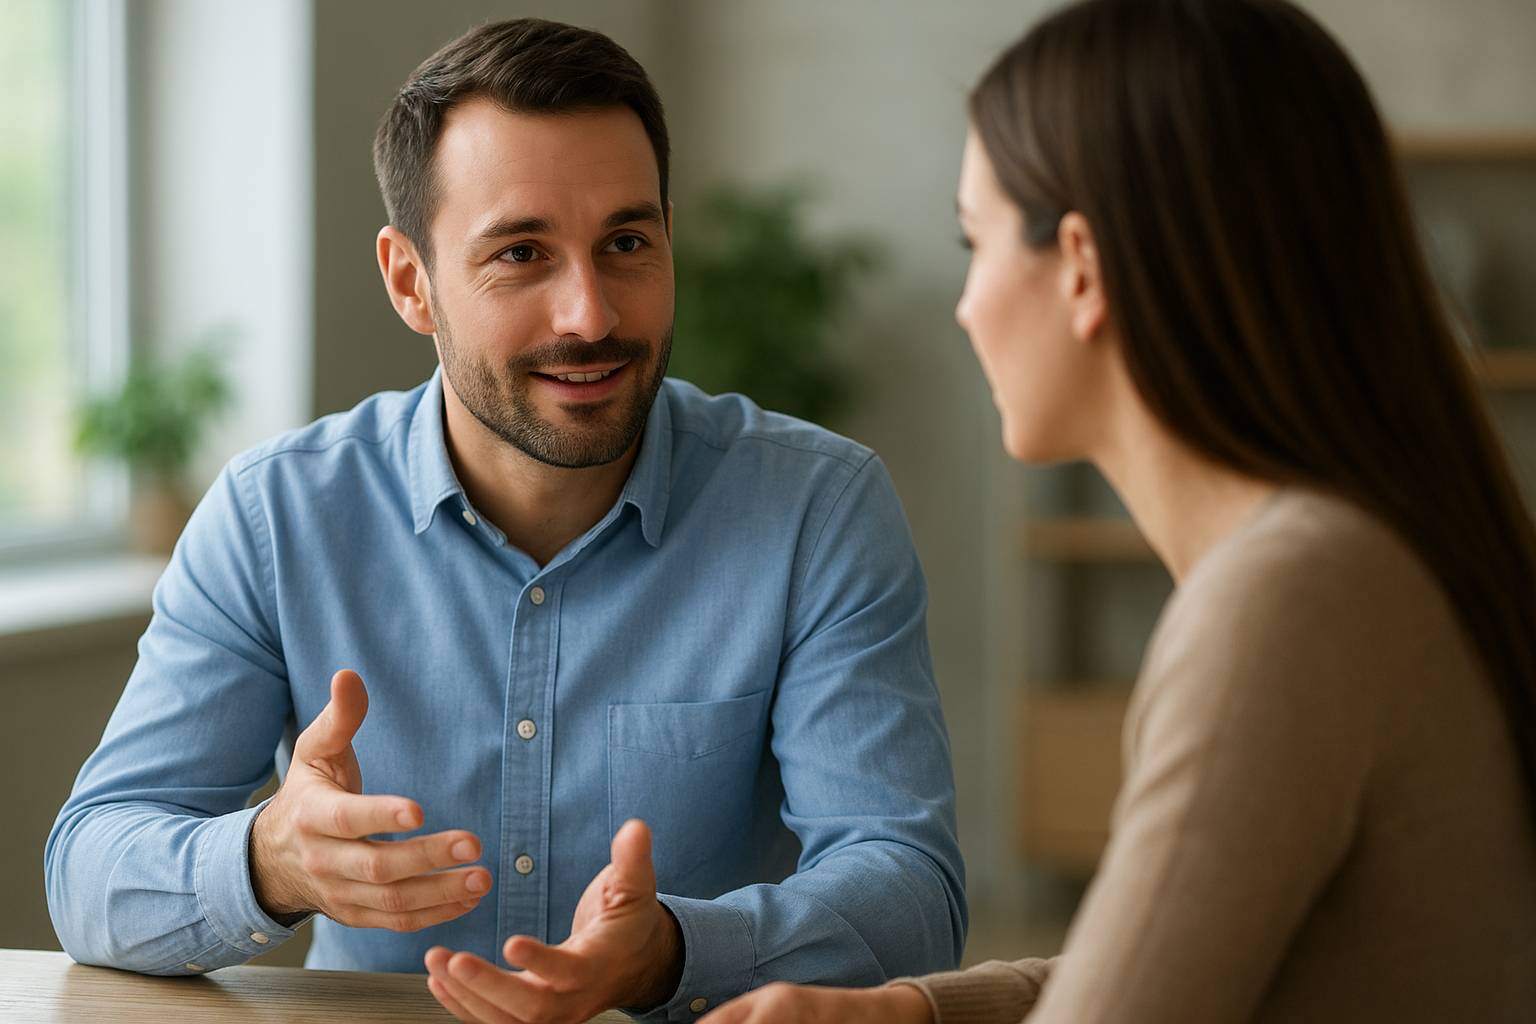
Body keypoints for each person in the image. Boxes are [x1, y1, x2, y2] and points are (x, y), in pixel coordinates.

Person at [44, 19, 967, 1024]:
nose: (589, 314)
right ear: (411, 282)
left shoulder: (816, 510)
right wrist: (271, 860)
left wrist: (672, 951)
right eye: (522, 253)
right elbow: (90, 868)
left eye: (626, 243)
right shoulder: (277, 516)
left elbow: (911, 893)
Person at [703, 0, 1536, 1021]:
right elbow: (1193, 955)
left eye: (976, 242)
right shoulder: (1367, 552)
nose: (966, 304)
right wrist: (905, 1010)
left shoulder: (1288, 599)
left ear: (1085, 269)